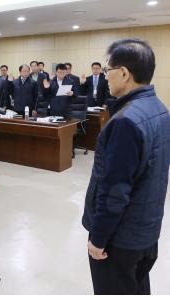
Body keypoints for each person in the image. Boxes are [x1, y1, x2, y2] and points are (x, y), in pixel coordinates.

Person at [82, 38, 170, 295]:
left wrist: (98, 239)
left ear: (123, 73)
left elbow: (115, 192)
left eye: (108, 69)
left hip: (119, 240)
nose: (105, 76)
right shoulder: (159, 108)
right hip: (147, 231)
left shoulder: (125, 122)